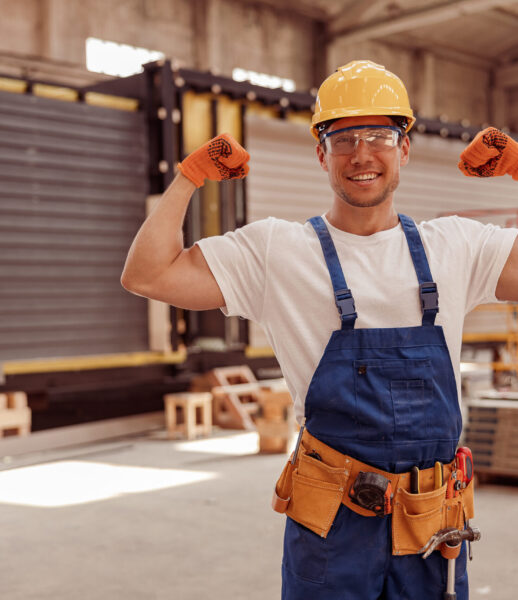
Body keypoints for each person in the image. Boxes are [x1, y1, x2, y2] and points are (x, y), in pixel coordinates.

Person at [121, 60, 518, 599]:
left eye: (379, 135)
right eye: (343, 137)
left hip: (431, 525)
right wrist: (189, 176)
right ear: (321, 154)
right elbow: (147, 274)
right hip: (331, 524)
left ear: (404, 149)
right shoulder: (277, 251)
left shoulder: (456, 247)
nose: (361, 153)